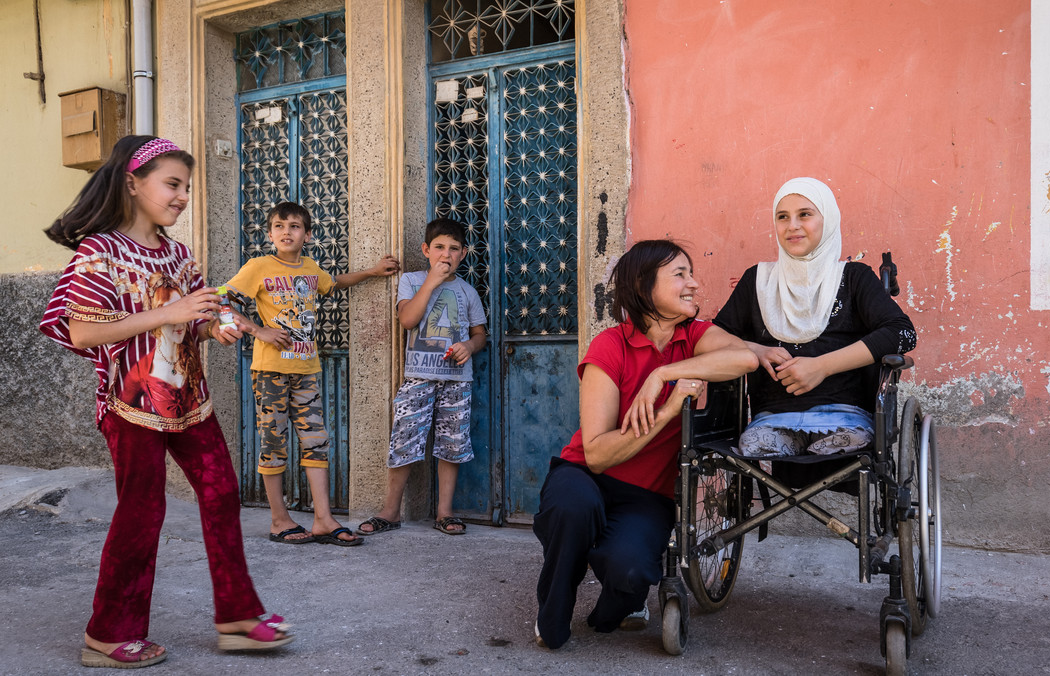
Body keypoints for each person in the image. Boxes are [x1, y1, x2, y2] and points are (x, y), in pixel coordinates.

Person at [41, 135, 292, 669]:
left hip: (189, 398)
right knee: (143, 510)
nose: (181, 197)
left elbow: (199, 314)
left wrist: (214, 326)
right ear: (133, 183)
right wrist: (171, 314)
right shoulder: (101, 249)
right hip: (131, 403)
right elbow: (83, 331)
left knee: (222, 493)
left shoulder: (178, 252)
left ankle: (237, 617)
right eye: (172, 184)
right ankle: (108, 634)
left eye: (186, 187)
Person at [531, 240, 758, 650]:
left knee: (630, 571)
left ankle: (617, 607)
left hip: (646, 495)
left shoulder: (695, 336)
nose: (694, 283)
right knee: (572, 508)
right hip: (585, 476)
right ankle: (552, 613)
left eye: (691, 273)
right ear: (642, 285)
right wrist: (669, 408)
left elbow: (743, 359)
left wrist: (663, 373)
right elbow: (597, 454)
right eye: (680, 275)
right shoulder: (611, 344)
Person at [713, 177, 916, 470]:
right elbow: (711, 337)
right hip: (771, 420)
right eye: (782, 217)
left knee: (848, 440)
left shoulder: (854, 277)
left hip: (846, 417)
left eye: (805, 214)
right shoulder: (757, 280)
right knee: (755, 444)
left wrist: (821, 366)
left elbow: (902, 332)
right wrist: (754, 350)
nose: (792, 225)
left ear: (828, 220)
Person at [225, 201, 398, 547]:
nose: (286, 232)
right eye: (279, 226)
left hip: (306, 371)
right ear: (270, 233)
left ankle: (322, 519)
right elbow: (221, 301)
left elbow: (333, 284)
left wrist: (373, 271)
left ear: (307, 234)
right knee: (273, 445)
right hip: (271, 371)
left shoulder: (309, 267)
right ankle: (279, 519)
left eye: (294, 226)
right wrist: (260, 331)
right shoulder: (258, 266)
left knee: (316, 443)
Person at [356, 218, 486, 537]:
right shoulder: (412, 281)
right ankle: (390, 511)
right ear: (426, 250)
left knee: (451, 445)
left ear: (464, 254)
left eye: (454, 249)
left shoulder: (467, 291)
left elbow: (480, 334)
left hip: (457, 380)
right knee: (404, 439)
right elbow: (408, 320)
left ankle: (444, 513)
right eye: (439, 247)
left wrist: (469, 345)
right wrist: (432, 281)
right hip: (418, 377)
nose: (446, 255)